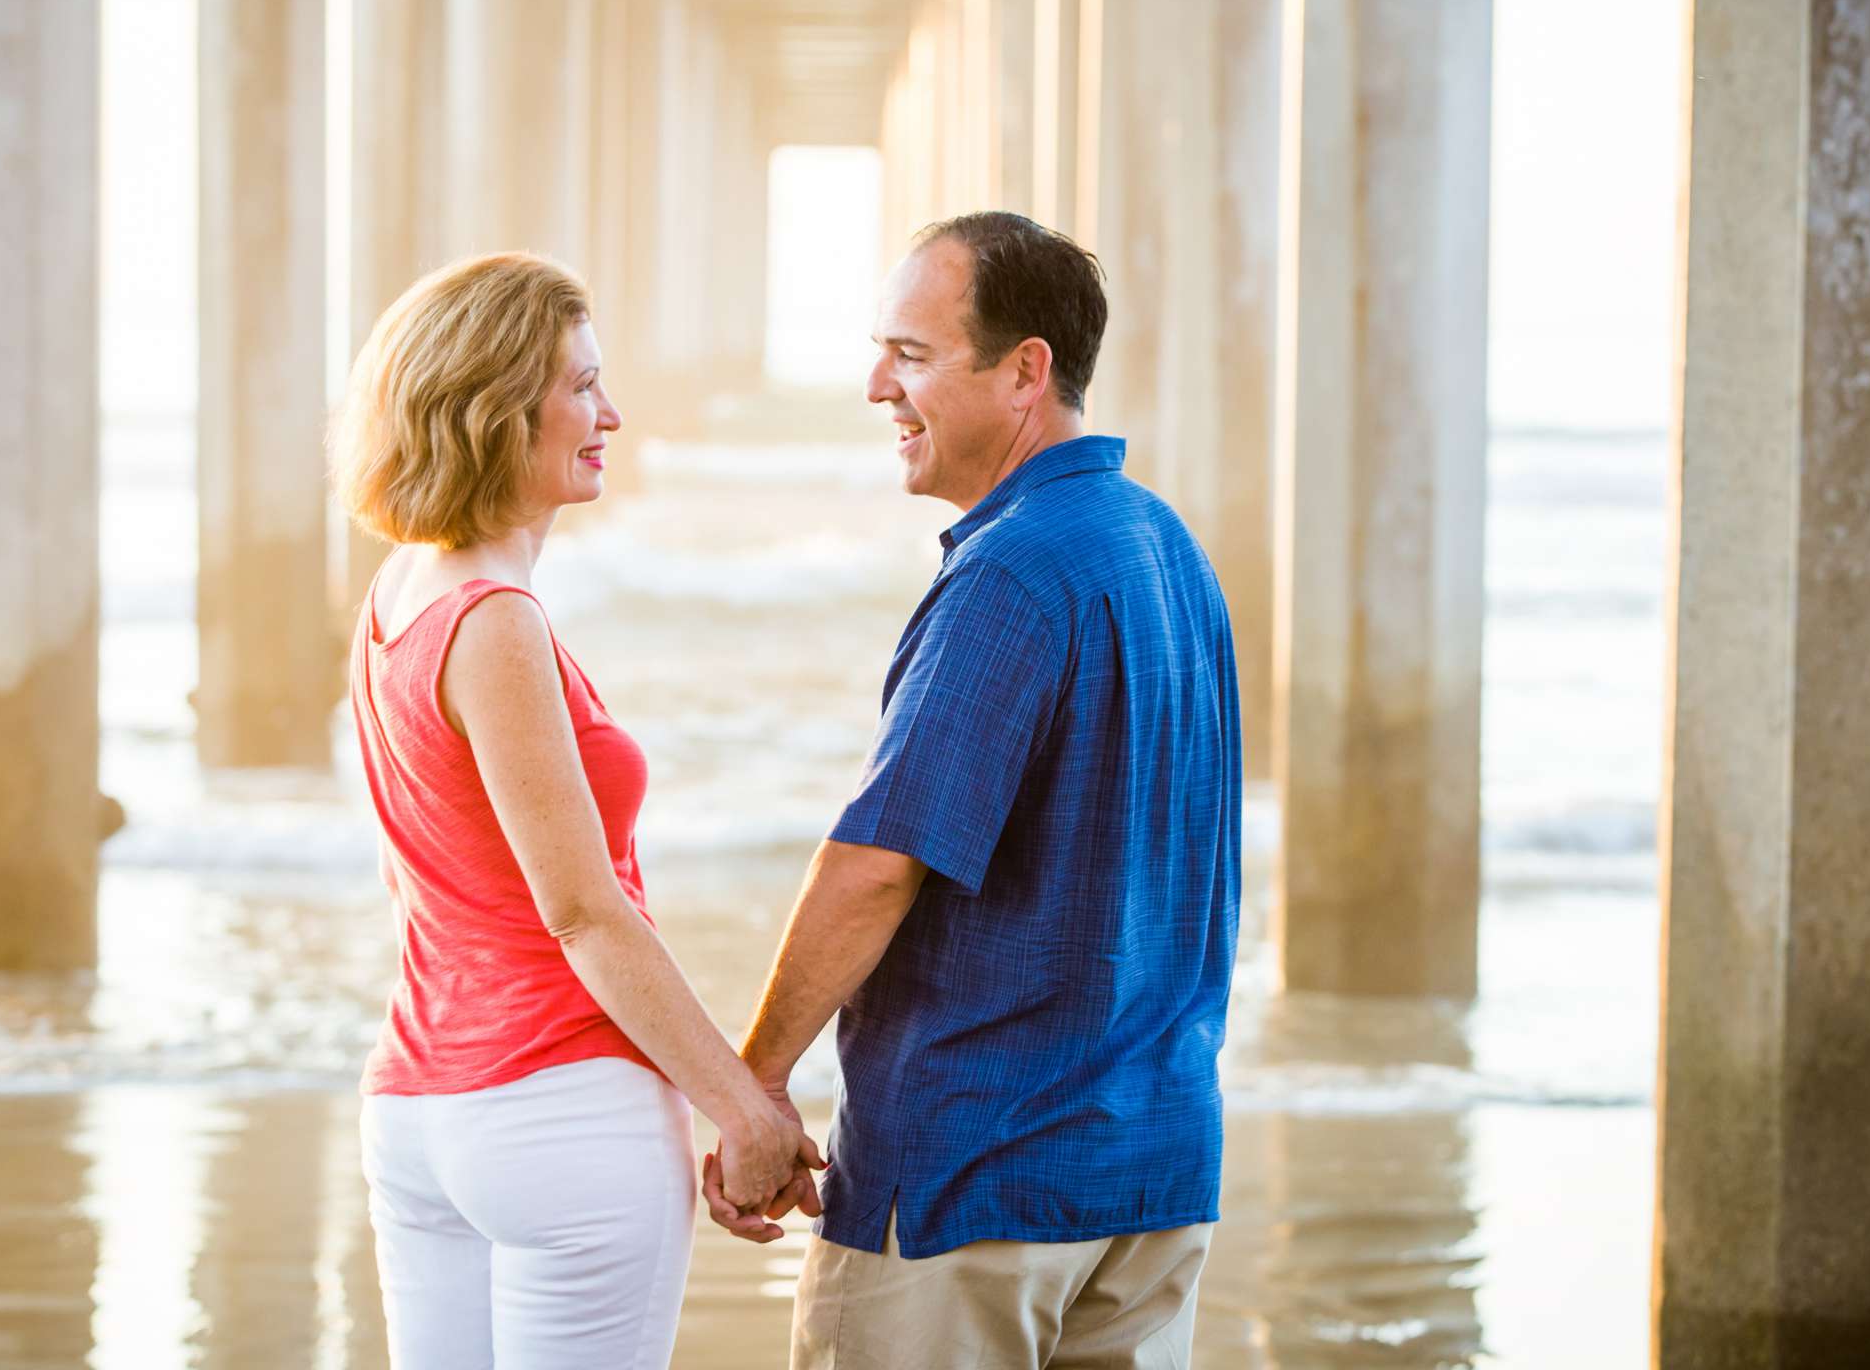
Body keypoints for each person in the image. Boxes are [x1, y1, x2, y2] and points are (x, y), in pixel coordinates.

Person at [703, 213, 1244, 1368]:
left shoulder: (1010, 570)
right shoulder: (1169, 549)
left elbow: (881, 860)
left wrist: (755, 1082)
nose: (873, 386)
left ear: (1025, 371)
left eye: (911, 353)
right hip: (1152, 1178)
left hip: (969, 1187)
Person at [330, 252, 823, 1368]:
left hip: (417, 1110)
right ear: (499, 408)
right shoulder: (494, 619)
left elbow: (419, 873)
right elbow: (582, 912)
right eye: (581, 386)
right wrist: (743, 1110)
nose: (611, 412)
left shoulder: (395, 599)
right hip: (556, 1111)